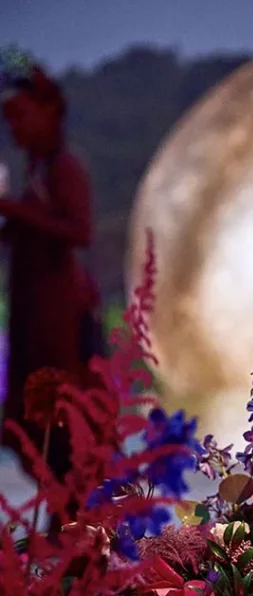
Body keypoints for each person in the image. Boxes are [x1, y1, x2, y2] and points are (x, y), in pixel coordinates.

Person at [0, 63, 100, 478]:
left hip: (58, 325)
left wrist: (13, 210)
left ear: (49, 112)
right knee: (33, 426)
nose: (13, 128)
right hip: (33, 320)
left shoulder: (64, 168)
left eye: (19, 116)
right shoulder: (36, 172)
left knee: (63, 429)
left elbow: (79, 230)